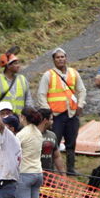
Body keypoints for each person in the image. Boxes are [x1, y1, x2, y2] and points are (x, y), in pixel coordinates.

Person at [37, 48, 86, 176]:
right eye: (57, 57)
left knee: (71, 142)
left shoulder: (74, 73)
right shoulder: (48, 75)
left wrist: (80, 105)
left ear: (66, 58)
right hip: (56, 115)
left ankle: (71, 168)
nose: (60, 59)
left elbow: (82, 90)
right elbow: (41, 95)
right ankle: (51, 170)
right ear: (53, 60)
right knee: (54, 142)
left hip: (71, 114)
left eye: (62, 57)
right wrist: (48, 113)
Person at [16, 108, 46, 198]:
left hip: (24, 174)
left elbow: (15, 153)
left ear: (24, 117)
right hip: (37, 173)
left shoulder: (22, 134)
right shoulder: (38, 133)